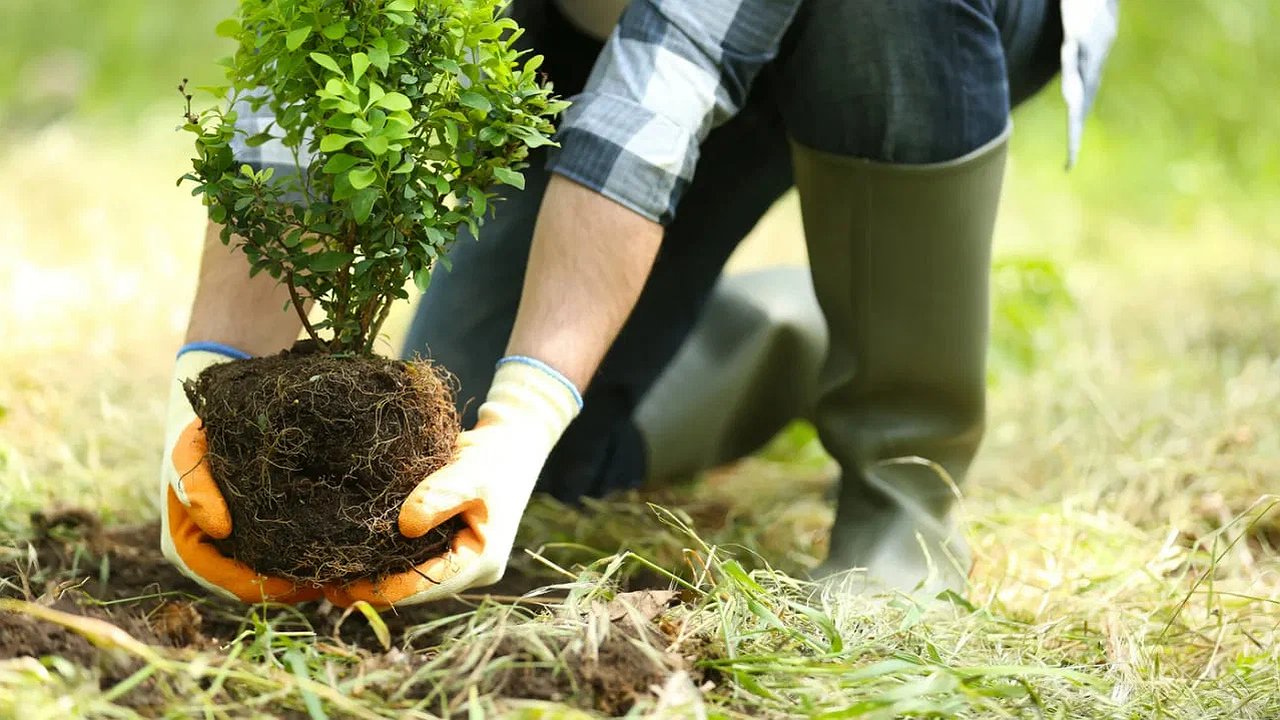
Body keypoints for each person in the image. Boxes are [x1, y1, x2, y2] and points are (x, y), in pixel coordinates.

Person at [160, 0, 1117, 606]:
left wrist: (530, 402)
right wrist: (215, 381)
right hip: (594, 23)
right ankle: (803, 329)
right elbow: (329, 30)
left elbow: (671, 67)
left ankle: (903, 485)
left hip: (919, 35)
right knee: (495, 459)